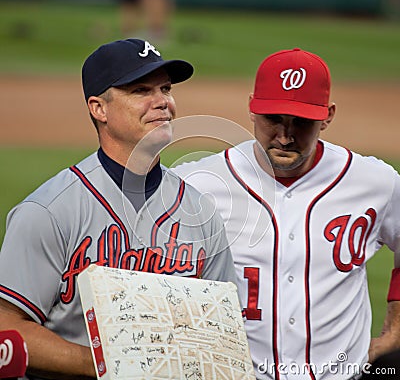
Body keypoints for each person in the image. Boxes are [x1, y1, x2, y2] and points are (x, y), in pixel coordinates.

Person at [0, 38, 239, 379]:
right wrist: (115, 364)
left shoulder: (198, 210)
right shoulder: (49, 211)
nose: (163, 102)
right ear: (99, 108)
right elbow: (7, 329)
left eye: (166, 88)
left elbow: (222, 333)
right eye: (141, 90)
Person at [172, 48, 400, 379]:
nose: (284, 136)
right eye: (273, 118)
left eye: (301, 122)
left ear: (328, 115)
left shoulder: (375, 182)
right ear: (252, 108)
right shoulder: (197, 184)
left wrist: (394, 332)